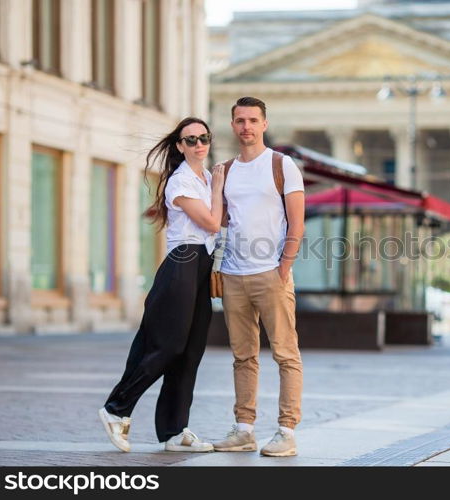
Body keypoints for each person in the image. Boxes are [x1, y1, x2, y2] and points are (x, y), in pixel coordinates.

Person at [98, 117, 224, 453]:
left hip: (202, 267)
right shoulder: (181, 181)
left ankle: (173, 430)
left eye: (204, 138)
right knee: (166, 346)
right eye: (191, 139)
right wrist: (219, 187)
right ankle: (116, 409)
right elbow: (212, 222)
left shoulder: (207, 177)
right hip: (181, 264)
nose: (199, 144)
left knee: (191, 351)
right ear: (180, 147)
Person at [212, 97, 305, 457]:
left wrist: (284, 266)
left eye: (252, 120)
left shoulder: (282, 165)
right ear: (233, 125)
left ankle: (286, 431)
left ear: (264, 124)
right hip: (233, 274)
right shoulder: (226, 170)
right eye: (240, 120)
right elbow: (218, 220)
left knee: (286, 354)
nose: (246, 126)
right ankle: (244, 429)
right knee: (243, 356)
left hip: (271, 274)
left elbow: (296, 222)